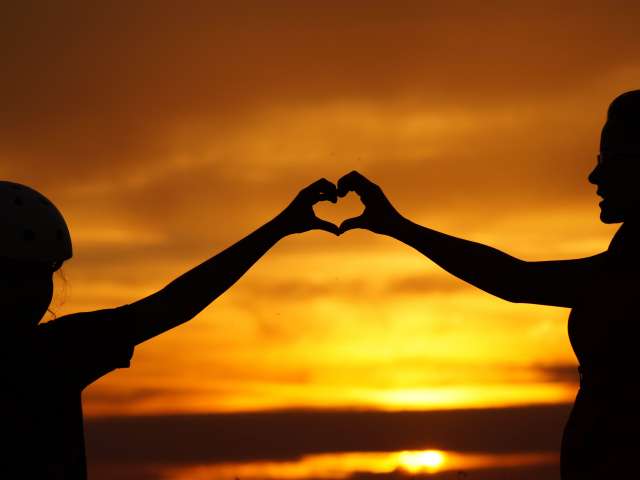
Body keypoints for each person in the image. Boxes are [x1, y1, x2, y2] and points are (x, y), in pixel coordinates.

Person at [336, 90, 640, 479]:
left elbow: (517, 280)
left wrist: (398, 227)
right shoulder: (632, 247)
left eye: (609, 159)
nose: (594, 175)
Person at [0, 178, 339, 479]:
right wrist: (280, 226)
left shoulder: (63, 345)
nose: (33, 290)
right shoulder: (55, 351)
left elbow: (176, 304)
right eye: (16, 276)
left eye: (42, 272)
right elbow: (176, 304)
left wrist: (280, 226)